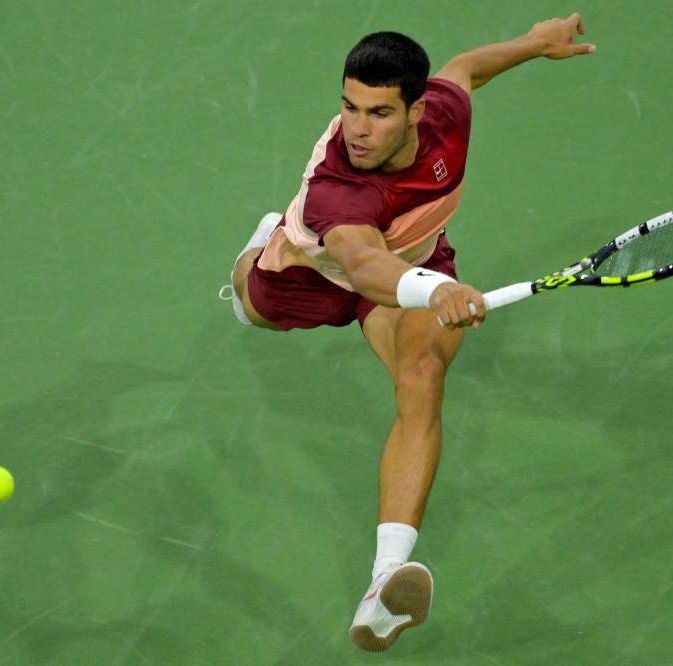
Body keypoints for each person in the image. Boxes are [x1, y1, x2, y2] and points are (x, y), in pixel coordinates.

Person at [223, 14, 595, 652]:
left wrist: (536, 45)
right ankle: (260, 245)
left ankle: (383, 581)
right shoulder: (339, 188)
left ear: (417, 110)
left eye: (378, 112)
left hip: (414, 263)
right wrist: (438, 290)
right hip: (318, 272)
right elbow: (365, 267)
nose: (358, 128)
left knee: (422, 380)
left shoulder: (445, 112)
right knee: (250, 306)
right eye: (349, 107)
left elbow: (466, 68)